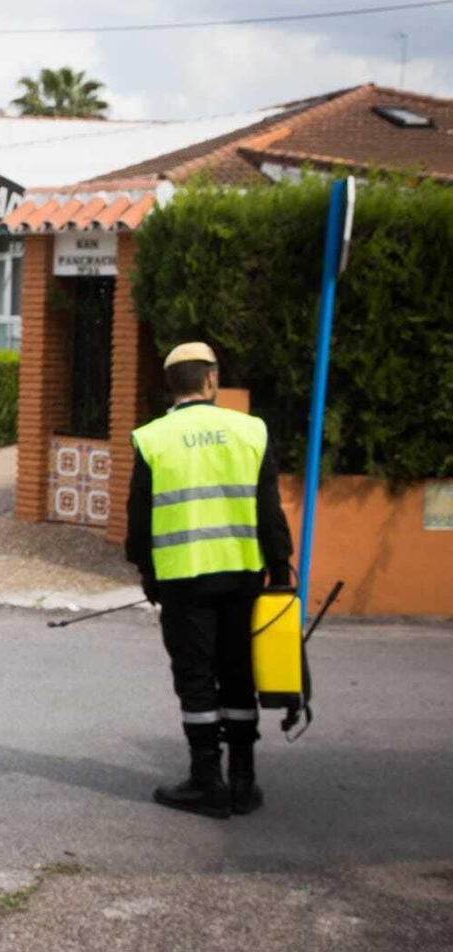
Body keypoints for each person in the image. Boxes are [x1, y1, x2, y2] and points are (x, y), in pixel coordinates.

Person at [125, 341, 294, 820]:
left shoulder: (153, 438)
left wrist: (147, 573)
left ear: (169, 386)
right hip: (242, 576)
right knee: (239, 674)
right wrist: (279, 572)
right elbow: (269, 512)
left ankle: (207, 782)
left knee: (196, 678)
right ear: (212, 379)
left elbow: (139, 521)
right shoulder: (250, 431)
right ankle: (243, 780)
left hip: (182, 582)